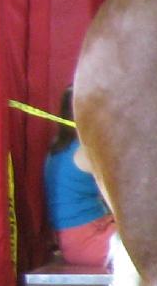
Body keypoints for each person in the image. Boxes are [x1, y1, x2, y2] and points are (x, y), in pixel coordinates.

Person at [43, 101, 114, 269]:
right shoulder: (85, 151)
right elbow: (115, 199)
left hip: (73, 239)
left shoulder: (57, 148)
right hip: (87, 241)